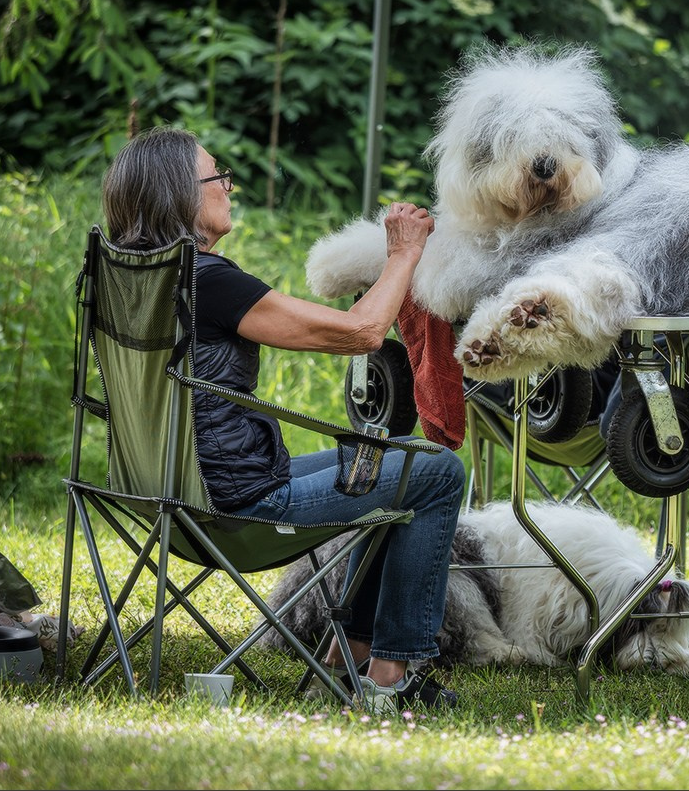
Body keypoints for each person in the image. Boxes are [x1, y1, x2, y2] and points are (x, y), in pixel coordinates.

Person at [101, 125, 465, 714]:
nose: (229, 185)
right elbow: (362, 333)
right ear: (180, 193)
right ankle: (390, 679)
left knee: (394, 459)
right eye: (217, 174)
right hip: (235, 507)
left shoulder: (122, 276)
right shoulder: (206, 280)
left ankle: (344, 659)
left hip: (155, 492)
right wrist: (403, 253)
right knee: (437, 471)